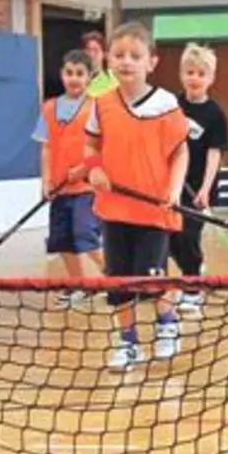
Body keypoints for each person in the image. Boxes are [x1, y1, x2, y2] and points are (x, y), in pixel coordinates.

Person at [82, 21, 190, 372]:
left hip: (154, 210)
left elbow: (180, 152)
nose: (126, 62)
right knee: (117, 281)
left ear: (151, 62)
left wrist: (173, 190)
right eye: (119, 55)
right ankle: (127, 342)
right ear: (108, 61)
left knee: (151, 277)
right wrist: (94, 167)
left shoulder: (165, 104)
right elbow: (90, 143)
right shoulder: (101, 104)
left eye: (135, 55)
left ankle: (167, 323)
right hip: (114, 210)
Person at [33, 50, 106, 304]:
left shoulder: (96, 107)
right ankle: (80, 285)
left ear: (89, 77)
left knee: (84, 234)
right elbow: (47, 147)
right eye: (69, 73)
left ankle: (117, 279)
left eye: (80, 73)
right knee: (62, 240)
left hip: (86, 188)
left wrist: (85, 169)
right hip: (59, 188)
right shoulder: (50, 108)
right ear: (61, 74)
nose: (74, 79)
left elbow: (102, 147)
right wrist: (45, 181)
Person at [169, 44, 228, 314]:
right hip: (173, 184)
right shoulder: (171, 105)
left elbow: (214, 154)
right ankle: (193, 268)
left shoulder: (215, 114)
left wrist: (206, 189)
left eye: (200, 73)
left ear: (211, 78)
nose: (194, 78)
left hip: (199, 187)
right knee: (171, 239)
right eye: (189, 72)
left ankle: (192, 290)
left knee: (188, 235)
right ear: (182, 75)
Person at [82, 30, 117, 98]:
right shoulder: (77, 78)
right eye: (88, 50)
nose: (91, 54)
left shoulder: (113, 79)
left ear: (104, 54)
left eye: (96, 50)